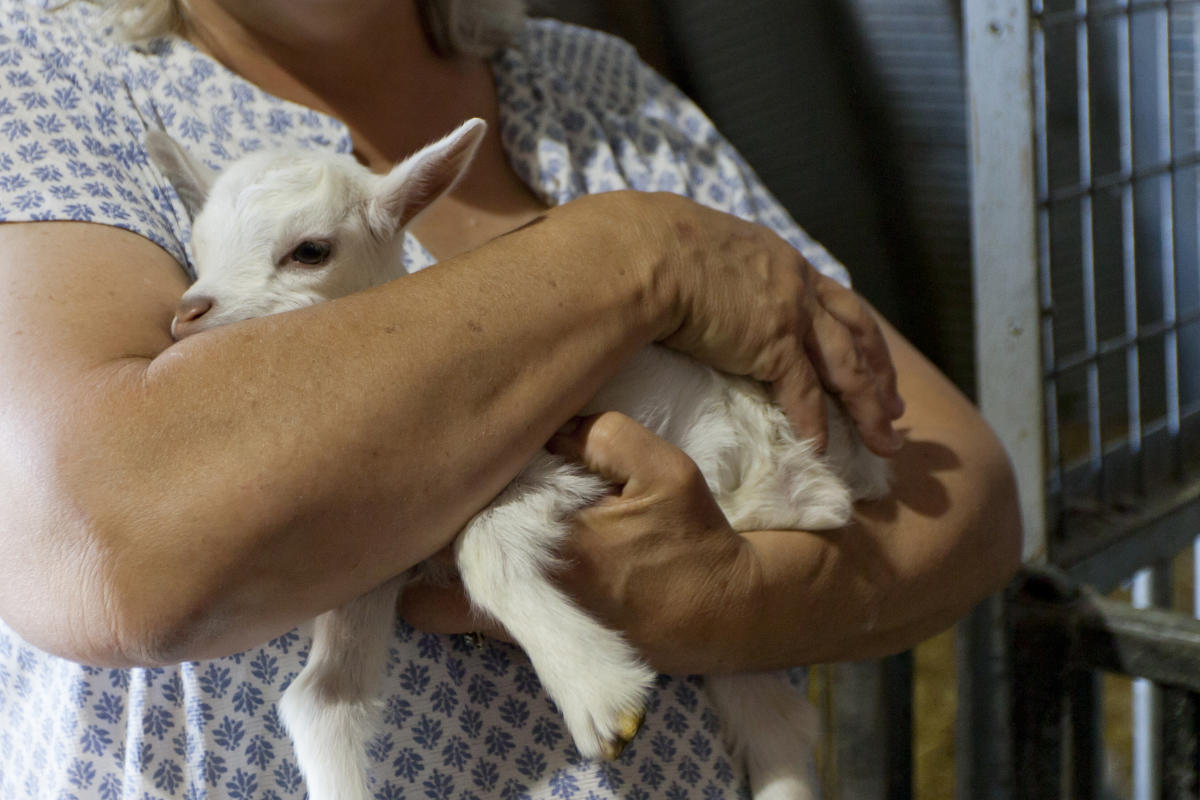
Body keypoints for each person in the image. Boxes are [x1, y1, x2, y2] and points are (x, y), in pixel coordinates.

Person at [0, 0, 1021, 798]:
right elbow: (109, 546)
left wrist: (732, 595)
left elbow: (964, 492)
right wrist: (633, 255)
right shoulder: (46, 74)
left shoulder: (597, 90)